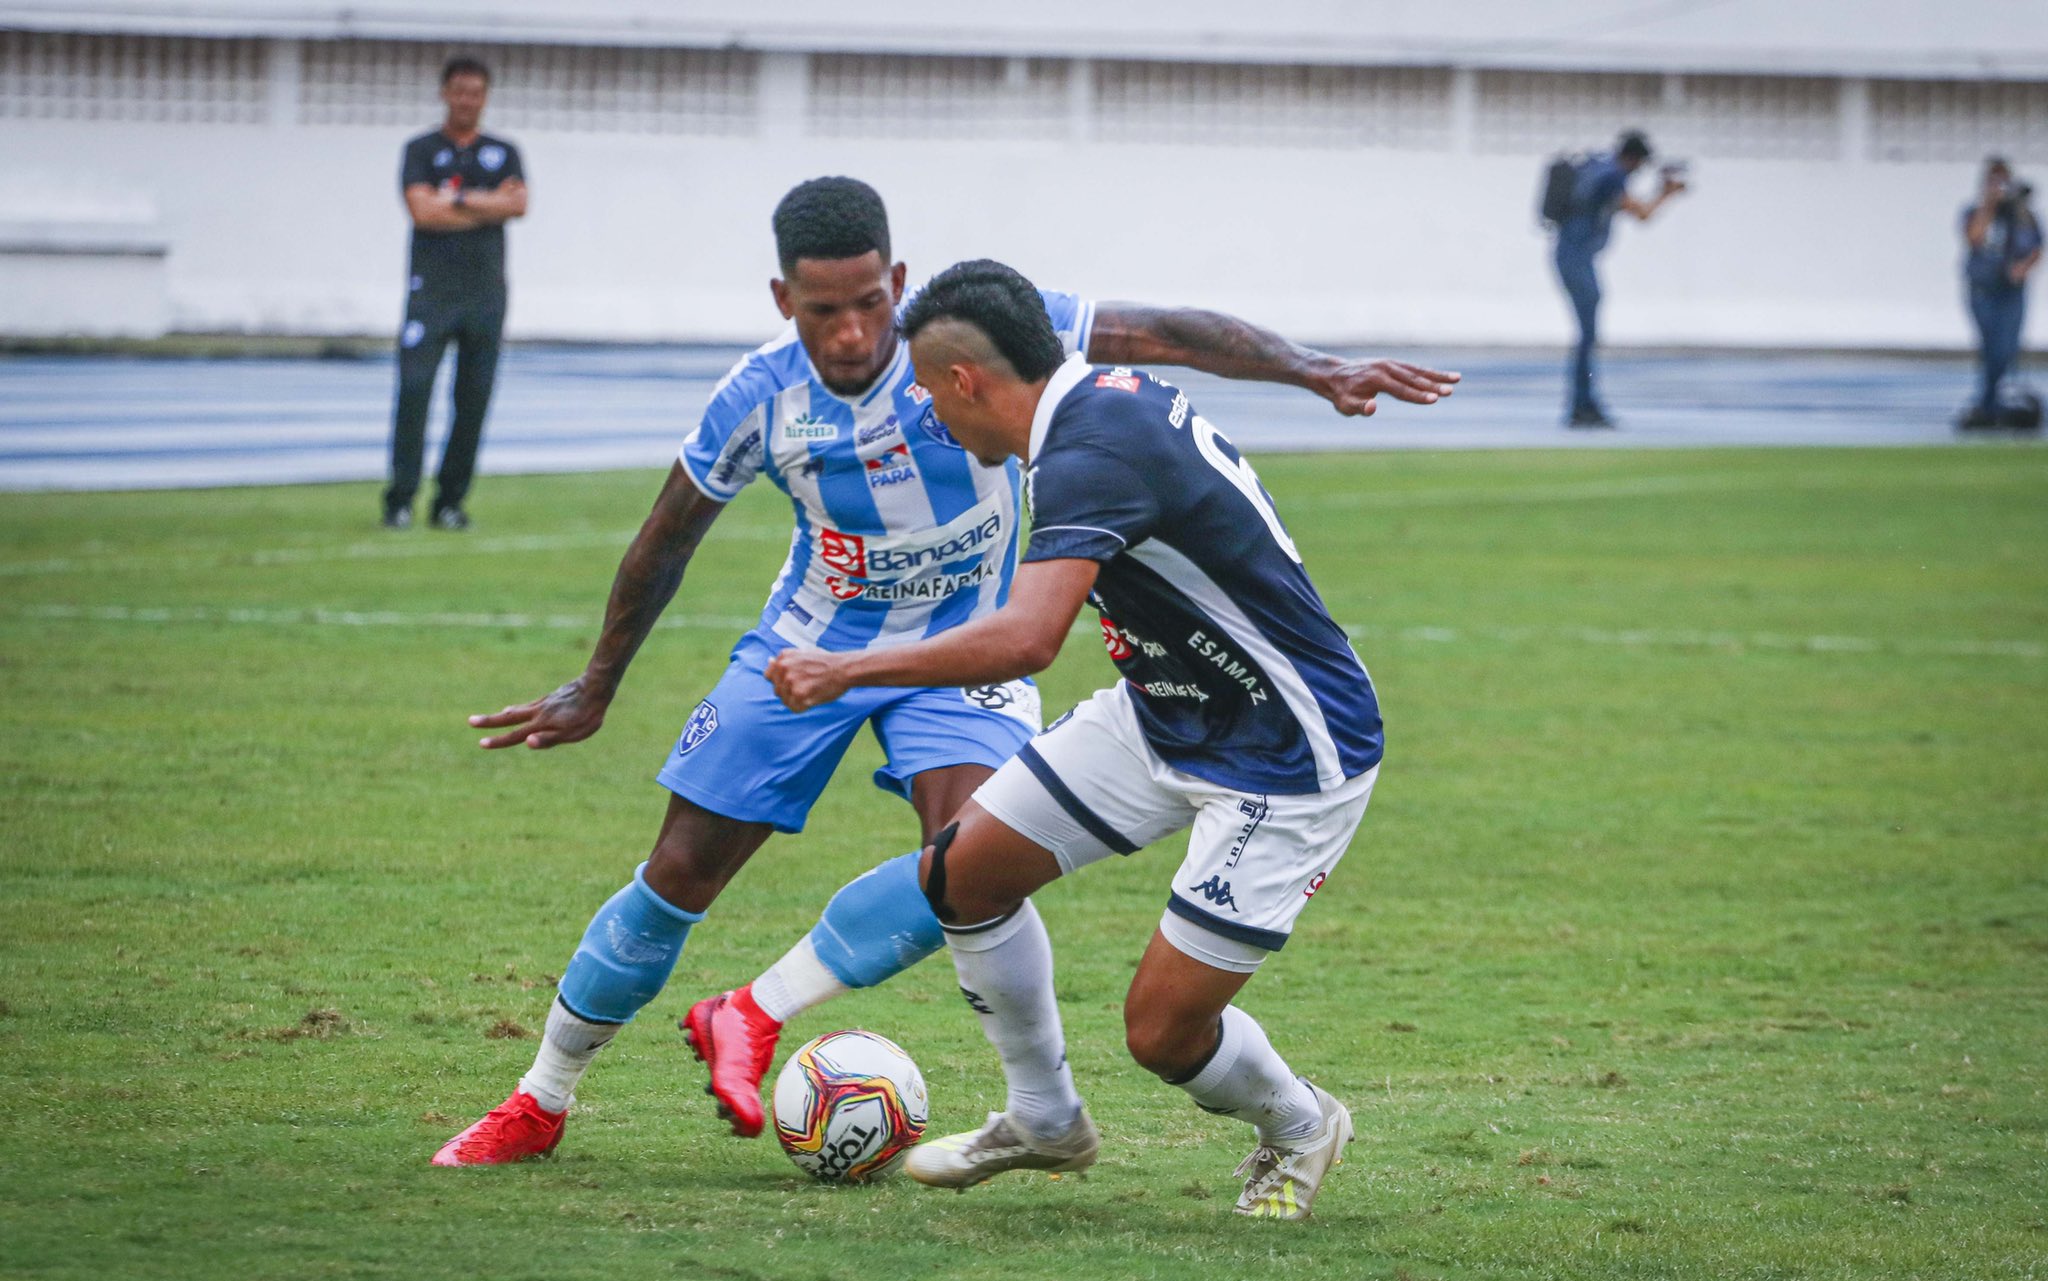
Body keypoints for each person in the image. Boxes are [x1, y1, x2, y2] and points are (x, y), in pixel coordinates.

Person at [431, 176, 1457, 1167]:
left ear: (903, 286)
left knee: (970, 863)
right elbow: (664, 538)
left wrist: (1311, 368)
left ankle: (992, 1089)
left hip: (979, 642)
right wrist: (598, 680)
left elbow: (1170, 335)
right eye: (823, 310)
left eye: (871, 303)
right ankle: (541, 1095)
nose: (852, 334)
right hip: (821, 632)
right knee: (682, 866)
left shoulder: (992, 337)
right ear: (784, 299)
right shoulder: (758, 396)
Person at [766, 259, 1391, 1220]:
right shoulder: (1091, 405)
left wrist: (844, 670)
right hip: (1164, 709)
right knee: (961, 873)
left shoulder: (1089, 449)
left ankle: (1303, 1124)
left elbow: (1028, 638)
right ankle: (1044, 1117)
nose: (929, 419)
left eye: (930, 395)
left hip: (1286, 750)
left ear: (969, 381)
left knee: (1163, 1034)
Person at [384, 56, 527, 531]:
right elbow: (422, 212)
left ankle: (449, 502)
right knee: (414, 394)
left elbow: (518, 203)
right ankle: (400, 498)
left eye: (476, 92)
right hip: (431, 293)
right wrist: (489, 207)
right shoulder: (421, 150)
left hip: (486, 295)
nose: (467, 100)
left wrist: (459, 200)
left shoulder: (502, 152)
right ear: (445, 93)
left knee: (473, 401)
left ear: (485, 97)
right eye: (459, 91)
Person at [1550, 130, 1683, 429]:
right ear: (1634, 158)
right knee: (1587, 336)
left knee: (1587, 335)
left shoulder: (1599, 170)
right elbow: (1642, 214)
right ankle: (1582, 405)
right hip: (1576, 259)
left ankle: (1584, 403)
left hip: (1574, 257)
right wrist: (1667, 193)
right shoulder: (1612, 176)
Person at [1959, 158, 2042, 429]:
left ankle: (1990, 403)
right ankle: (1989, 403)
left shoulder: (2021, 215)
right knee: (1991, 347)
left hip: (2011, 292)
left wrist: (2023, 267)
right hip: (1983, 291)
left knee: (2007, 347)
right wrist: (1989, 204)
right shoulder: (1975, 211)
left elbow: (2036, 246)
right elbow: (1974, 238)